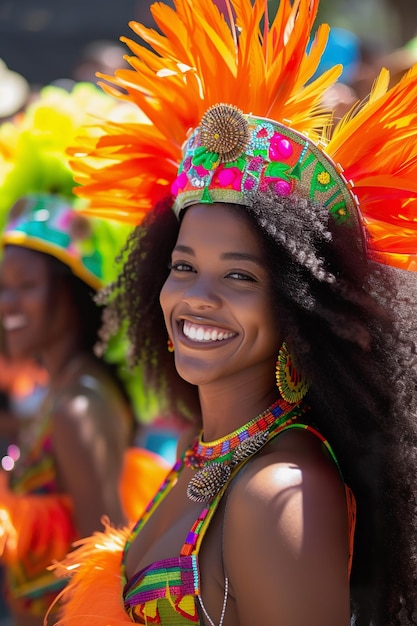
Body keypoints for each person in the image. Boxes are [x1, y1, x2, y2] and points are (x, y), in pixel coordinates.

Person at [50, 0, 417, 625]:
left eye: (240, 275)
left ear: (303, 311)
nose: (197, 296)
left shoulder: (279, 493)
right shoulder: (208, 450)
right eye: (184, 265)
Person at [0, 84, 169, 626]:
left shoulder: (78, 407)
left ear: (71, 293)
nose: (7, 304)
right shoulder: (60, 391)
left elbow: (107, 563)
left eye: (24, 286)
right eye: (1, 286)